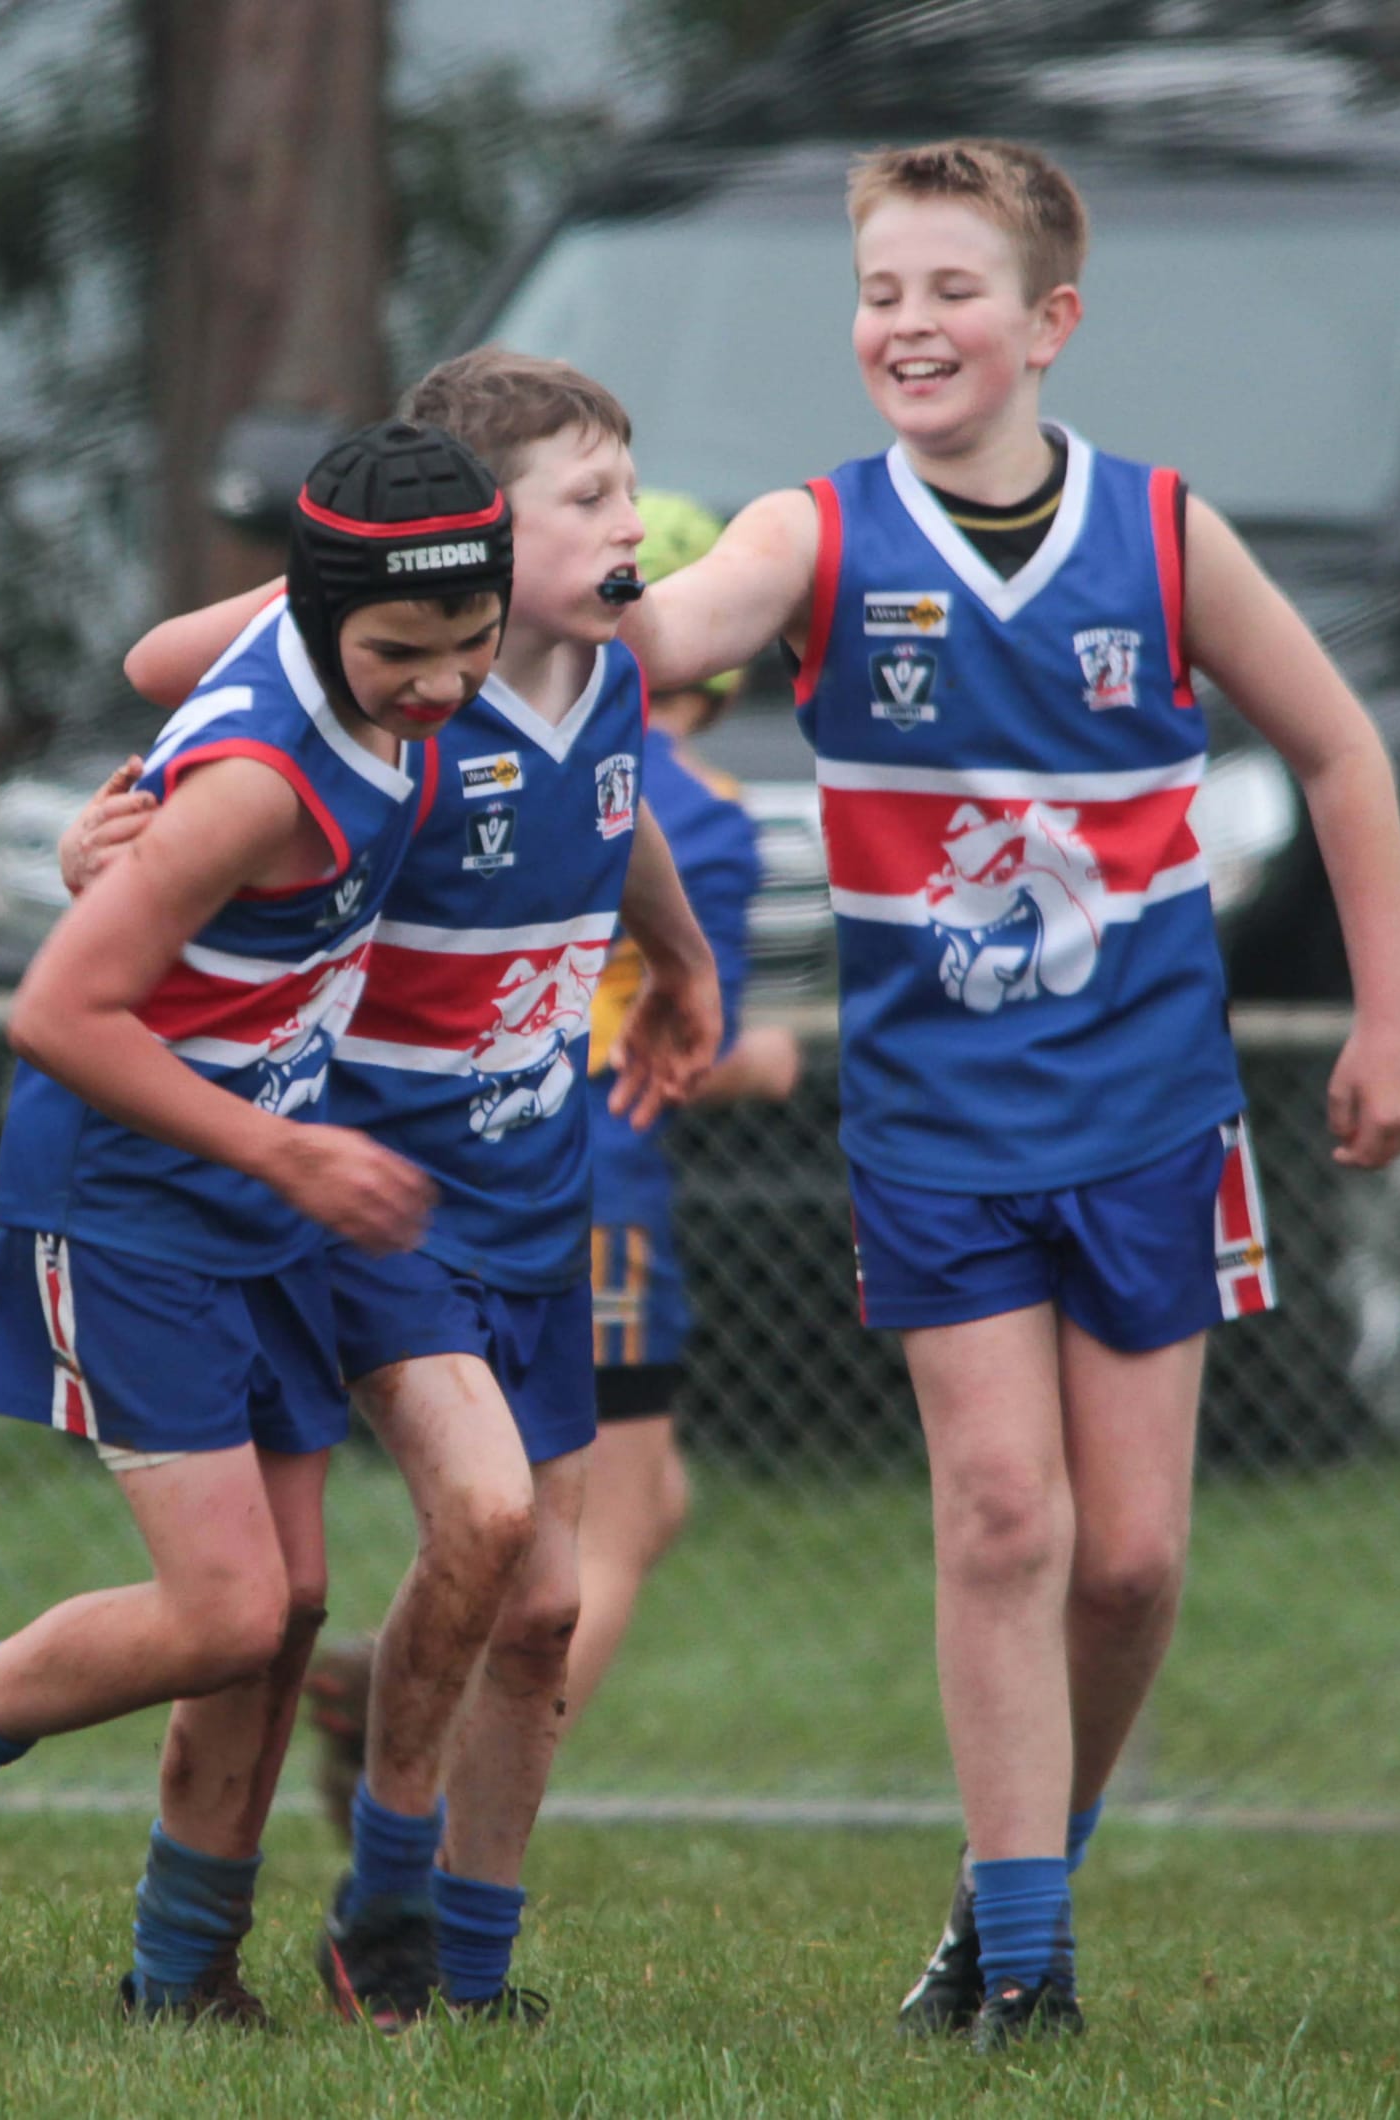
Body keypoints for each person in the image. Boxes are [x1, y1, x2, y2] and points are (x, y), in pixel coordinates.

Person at [612, 139, 1400, 2050]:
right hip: (938, 1129)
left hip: (1154, 1111)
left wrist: (1390, 1023)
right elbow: (674, 631)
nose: (909, 324)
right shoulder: (820, 536)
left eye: (951, 291)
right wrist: (559, 576)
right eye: (882, 293)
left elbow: (1342, 751)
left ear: (1051, 321)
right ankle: (1035, 1975)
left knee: (1132, 1559)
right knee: (1004, 1518)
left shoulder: (1160, 535)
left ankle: (1012, 1892)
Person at [0, 419, 513, 2020]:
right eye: (400, 650)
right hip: (132, 1204)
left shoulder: (334, 633)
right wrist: (293, 1155)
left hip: (248, 1191)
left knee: (290, 1608)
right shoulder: (266, 786)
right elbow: (57, 1011)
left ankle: (179, 1979)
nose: (443, 686)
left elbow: (153, 652)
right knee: (227, 1610)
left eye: (472, 644)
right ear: (330, 617)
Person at [115, 349, 724, 2030]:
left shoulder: (606, 667)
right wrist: (132, 828)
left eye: (627, 486)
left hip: (543, 1193)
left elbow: (616, 813)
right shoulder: (393, 690)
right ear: (474, 536)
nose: (625, 526)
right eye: (587, 500)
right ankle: (382, 1893)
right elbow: (168, 669)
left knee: (542, 1608)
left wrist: (673, 949)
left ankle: (466, 1964)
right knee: (482, 1517)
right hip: (383, 1191)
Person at [570, 491, 802, 1723]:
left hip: (465, 1152)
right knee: (605, 1533)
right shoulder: (702, 811)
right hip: (602, 1176)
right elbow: (682, 1046)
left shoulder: (518, 745)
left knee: (641, 1501)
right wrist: (762, 1061)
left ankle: (396, 1716)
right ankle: (444, 1814)